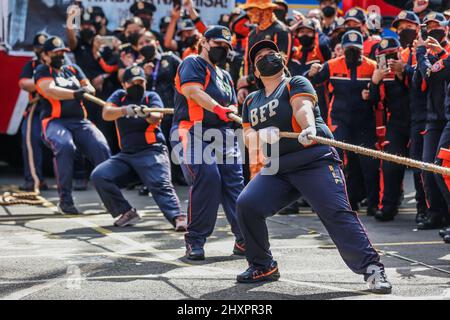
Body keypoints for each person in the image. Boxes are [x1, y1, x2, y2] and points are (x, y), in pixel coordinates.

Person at [236, 40, 392, 294]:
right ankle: (262, 265)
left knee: (337, 213)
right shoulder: (251, 101)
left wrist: (307, 127)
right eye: (259, 57)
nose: (266, 57)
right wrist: (264, 136)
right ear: (255, 71)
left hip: (313, 160)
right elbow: (248, 138)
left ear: (283, 60)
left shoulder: (296, 83)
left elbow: (302, 107)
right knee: (247, 204)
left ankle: (373, 269)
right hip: (277, 167)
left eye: (270, 53)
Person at [170, 26, 245, 260]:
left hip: (222, 134)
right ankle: (195, 239)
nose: (221, 50)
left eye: (225, 46)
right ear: (203, 42)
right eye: (217, 44)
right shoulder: (192, 62)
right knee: (207, 175)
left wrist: (232, 109)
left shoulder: (224, 75)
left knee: (234, 183)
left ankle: (244, 238)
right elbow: (192, 91)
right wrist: (218, 108)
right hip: (192, 130)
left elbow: (232, 105)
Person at [90, 65, 187, 230]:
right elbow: (106, 113)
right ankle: (126, 211)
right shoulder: (119, 97)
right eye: (132, 82)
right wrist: (125, 110)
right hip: (127, 156)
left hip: (152, 151)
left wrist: (146, 114)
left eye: (140, 82)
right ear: (124, 85)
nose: (137, 85)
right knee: (100, 175)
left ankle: (178, 216)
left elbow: (157, 117)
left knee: (160, 183)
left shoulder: (150, 97)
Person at [34, 36, 111, 214]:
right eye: (55, 53)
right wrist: (76, 93)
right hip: (54, 121)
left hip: (80, 121)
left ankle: (111, 199)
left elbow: (90, 88)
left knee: (101, 146)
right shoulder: (42, 70)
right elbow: (50, 90)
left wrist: (86, 90)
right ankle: (65, 200)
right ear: (45, 55)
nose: (60, 55)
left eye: (62, 52)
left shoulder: (73, 69)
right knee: (65, 146)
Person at [309, 30, 380, 216]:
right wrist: (310, 71)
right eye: (349, 48)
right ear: (342, 49)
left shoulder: (372, 66)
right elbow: (310, 81)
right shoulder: (331, 65)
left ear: (362, 49)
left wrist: (372, 89)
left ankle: (373, 203)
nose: (352, 52)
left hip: (365, 122)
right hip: (340, 120)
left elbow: (380, 94)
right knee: (338, 162)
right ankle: (342, 202)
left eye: (356, 49)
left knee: (368, 164)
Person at [369, 37, 411, 221]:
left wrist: (402, 72)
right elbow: (375, 101)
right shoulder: (381, 72)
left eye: (392, 55)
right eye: (385, 56)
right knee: (390, 165)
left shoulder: (410, 63)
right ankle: (387, 206)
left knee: (422, 170)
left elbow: (420, 89)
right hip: (395, 123)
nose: (389, 60)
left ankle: (427, 211)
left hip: (418, 120)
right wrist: (375, 82)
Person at [392, 10, 428, 223]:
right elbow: (405, 86)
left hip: (430, 113)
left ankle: (432, 211)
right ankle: (422, 210)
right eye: (400, 27)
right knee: (416, 166)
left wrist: (404, 69)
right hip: (411, 114)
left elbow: (427, 72)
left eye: (408, 26)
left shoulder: (427, 47)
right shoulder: (402, 53)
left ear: (418, 28)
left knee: (429, 165)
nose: (404, 30)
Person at [416, 12, 450, 230]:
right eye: (429, 26)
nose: (433, 29)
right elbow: (419, 78)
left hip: (446, 119)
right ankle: (437, 214)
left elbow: (429, 72)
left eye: (438, 25)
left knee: (441, 169)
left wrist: (422, 52)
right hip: (434, 118)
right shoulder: (440, 53)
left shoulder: (442, 53)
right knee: (430, 169)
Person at [237, 0, 293, 105]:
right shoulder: (252, 33)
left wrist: (249, 79)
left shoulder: (281, 30)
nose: (248, 13)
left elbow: (281, 62)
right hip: (253, 89)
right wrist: (244, 86)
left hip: (276, 90)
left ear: (264, 10)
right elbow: (247, 61)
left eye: (251, 9)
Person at [18, 32, 49, 192]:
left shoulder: (59, 64)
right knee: (30, 140)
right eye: (38, 47)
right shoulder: (31, 65)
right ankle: (33, 179)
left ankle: (68, 182)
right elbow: (24, 83)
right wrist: (44, 84)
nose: (41, 50)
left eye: (43, 48)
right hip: (36, 108)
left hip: (55, 108)